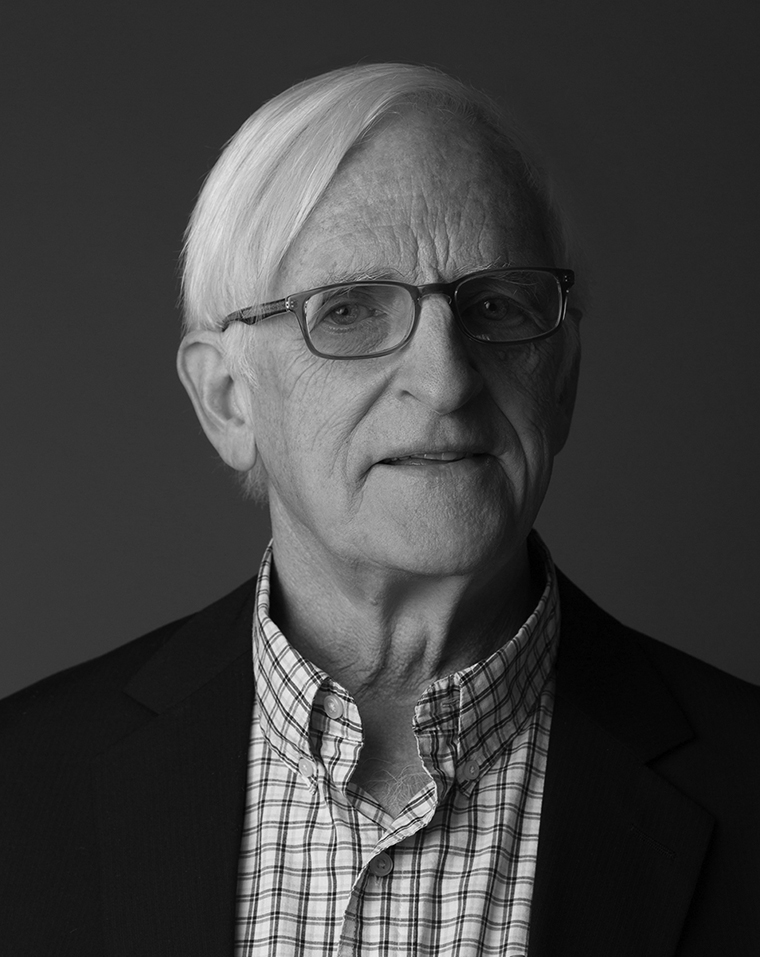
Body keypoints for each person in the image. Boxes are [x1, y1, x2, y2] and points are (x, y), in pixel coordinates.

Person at [1, 62, 758, 957]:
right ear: (227, 401)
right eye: (351, 311)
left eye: (498, 305)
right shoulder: (22, 789)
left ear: (565, 381)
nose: (445, 380)